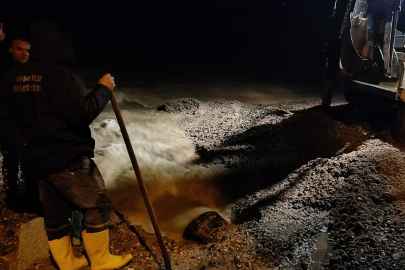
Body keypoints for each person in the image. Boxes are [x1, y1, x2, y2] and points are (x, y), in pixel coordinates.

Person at [0, 21, 133, 270]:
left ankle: (67, 262)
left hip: (35, 158)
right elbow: (82, 113)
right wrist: (103, 89)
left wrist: (23, 141)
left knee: (55, 209)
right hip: (66, 156)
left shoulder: (12, 77)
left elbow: (4, 118)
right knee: (96, 203)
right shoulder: (58, 75)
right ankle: (101, 260)